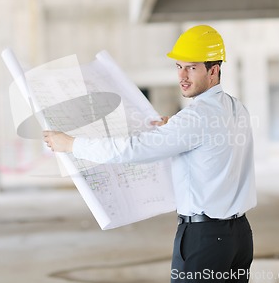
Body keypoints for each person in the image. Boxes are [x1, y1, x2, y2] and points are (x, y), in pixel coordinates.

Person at [43, 25, 257, 283]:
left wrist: (72, 144)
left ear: (213, 70)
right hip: (239, 237)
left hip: (205, 239)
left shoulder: (195, 117)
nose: (182, 76)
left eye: (192, 67)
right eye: (178, 67)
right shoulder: (236, 108)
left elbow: (132, 149)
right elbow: (214, 145)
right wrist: (173, 130)